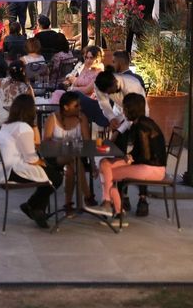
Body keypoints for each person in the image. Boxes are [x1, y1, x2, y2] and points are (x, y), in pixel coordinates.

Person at [86, 93, 166, 221]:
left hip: (152, 169)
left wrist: (126, 160)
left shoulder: (142, 126)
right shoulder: (142, 122)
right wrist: (126, 158)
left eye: (124, 109)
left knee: (108, 172)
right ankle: (113, 208)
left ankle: (112, 207)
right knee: (105, 164)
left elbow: (145, 156)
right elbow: (139, 150)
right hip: (148, 165)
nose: (123, 112)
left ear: (130, 110)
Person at [0, 94, 63, 228]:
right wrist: (41, 162)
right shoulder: (24, 128)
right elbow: (31, 157)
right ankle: (34, 207)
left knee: (50, 172)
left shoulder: (8, 125)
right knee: (56, 177)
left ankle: (35, 208)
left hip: (0, 169)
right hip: (11, 171)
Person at [42, 91, 94, 217]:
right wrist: (63, 146)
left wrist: (93, 163)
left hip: (75, 156)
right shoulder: (53, 118)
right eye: (76, 106)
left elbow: (87, 143)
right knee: (73, 158)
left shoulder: (81, 118)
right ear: (66, 107)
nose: (79, 108)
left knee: (72, 164)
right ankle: (88, 196)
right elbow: (46, 143)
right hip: (55, 157)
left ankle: (68, 204)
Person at [80, 67, 147, 133]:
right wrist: (111, 118)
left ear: (115, 82)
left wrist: (119, 131)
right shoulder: (98, 85)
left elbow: (134, 113)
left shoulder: (132, 86)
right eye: (107, 93)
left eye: (110, 92)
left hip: (138, 114)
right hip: (119, 110)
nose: (109, 94)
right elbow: (103, 102)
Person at [0, 60, 34, 127]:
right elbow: (32, 104)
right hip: (16, 121)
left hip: (1, 118)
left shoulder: (3, 82)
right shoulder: (27, 87)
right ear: (24, 72)